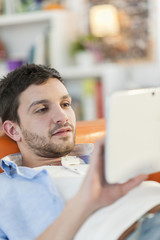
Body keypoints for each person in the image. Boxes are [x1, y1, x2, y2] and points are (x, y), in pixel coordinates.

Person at [0, 63, 157, 240]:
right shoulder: (6, 189)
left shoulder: (104, 155)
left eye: (65, 104)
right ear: (13, 130)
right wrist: (85, 201)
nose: (63, 117)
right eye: (42, 109)